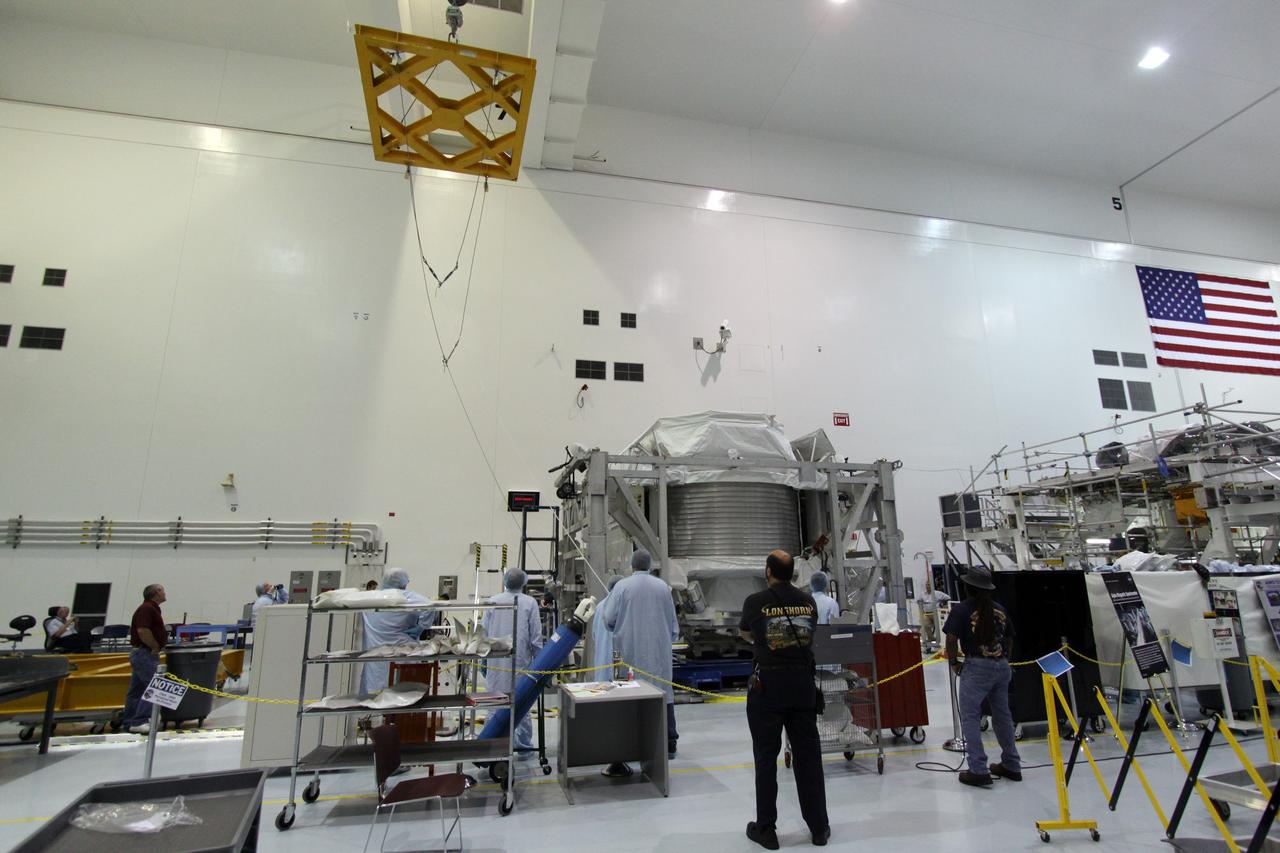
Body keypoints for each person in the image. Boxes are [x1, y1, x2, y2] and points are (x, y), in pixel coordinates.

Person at [740, 550, 829, 849]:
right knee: (808, 757)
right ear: (793, 572)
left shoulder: (755, 602)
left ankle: (766, 829)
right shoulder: (809, 601)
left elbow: (746, 633)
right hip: (802, 685)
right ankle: (819, 828)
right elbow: (810, 632)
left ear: (768, 571)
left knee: (766, 757)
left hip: (769, 686)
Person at [943, 565, 1022, 787]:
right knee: (1002, 716)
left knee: (970, 716)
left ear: (968, 587)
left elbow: (951, 639)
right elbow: (1009, 639)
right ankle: (1012, 764)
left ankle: (978, 769)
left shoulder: (961, 610)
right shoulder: (999, 609)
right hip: (1000, 666)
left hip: (976, 667)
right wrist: (1004, 658)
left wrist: (953, 662)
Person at [602, 549, 681, 766]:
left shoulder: (622, 586)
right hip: (659, 654)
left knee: (631, 694)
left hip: (629, 653)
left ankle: (632, 743)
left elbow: (608, 619)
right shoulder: (663, 587)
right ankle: (669, 742)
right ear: (650, 565)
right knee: (663, 691)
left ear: (632, 564)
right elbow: (674, 626)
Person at [482, 568, 544, 752]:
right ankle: (523, 746)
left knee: (495, 702)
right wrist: (540, 662)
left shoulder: (493, 601)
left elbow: (483, 633)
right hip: (520, 660)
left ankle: (491, 745)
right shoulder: (529, 602)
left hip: (496, 661)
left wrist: (484, 661)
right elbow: (535, 635)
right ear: (524, 583)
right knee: (521, 704)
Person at [359, 569, 436, 695]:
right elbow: (430, 606)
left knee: (375, 697)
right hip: (403, 655)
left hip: (375, 657)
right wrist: (421, 627)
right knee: (402, 697)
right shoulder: (404, 596)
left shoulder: (372, 597)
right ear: (403, 583)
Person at [122, 584, 168, 734]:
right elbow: (142, 630)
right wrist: (154, 646)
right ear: (156, 593)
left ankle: (129, 721)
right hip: (145, 653)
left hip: (143, 653)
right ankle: (140, 720)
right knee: (155, 686)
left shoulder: (151, 608)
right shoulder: (147, 609)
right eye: (162, 590)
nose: (165, 593)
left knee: (137, 690)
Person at [590, 575, 622, 676]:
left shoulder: (599, 606)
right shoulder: (622, 605)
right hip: (617, 666)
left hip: (601, 666)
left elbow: (594, 635)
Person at [919, 578, 951, 651]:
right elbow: (918, 600)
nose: (928, 586)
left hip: (936, 614)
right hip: (927, 614)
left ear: (932, 586)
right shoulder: (923, 594)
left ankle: (942, 642)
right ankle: (931, 639)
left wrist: (943, 604)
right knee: (924, 624)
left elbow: (948, 598)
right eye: (927, 585)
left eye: (929, 585)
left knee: (940, 628)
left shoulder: (938, 593)